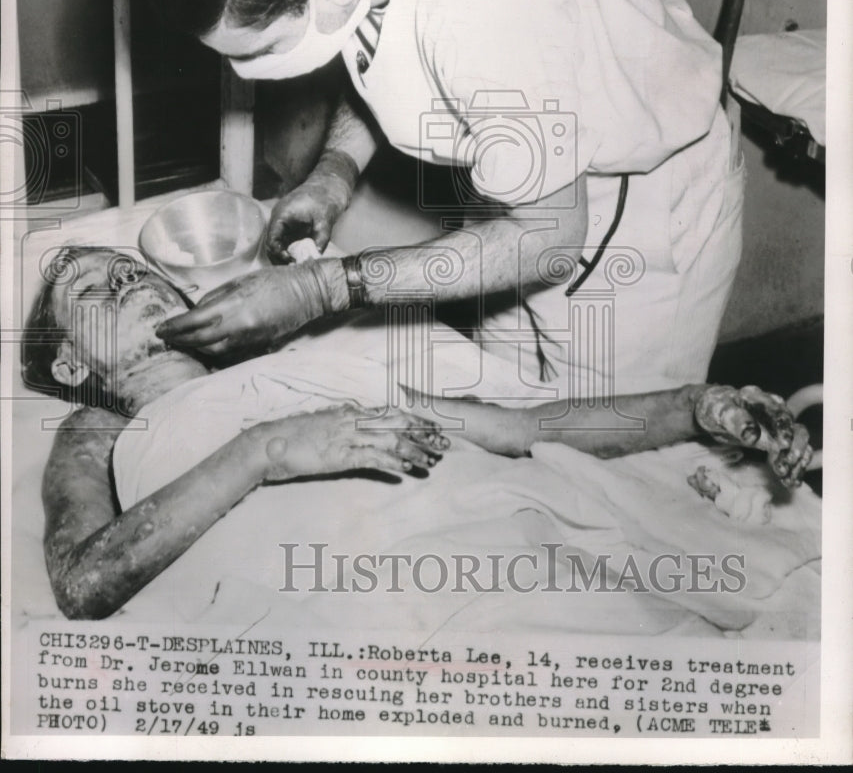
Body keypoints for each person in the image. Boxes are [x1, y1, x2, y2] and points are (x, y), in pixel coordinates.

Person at [136, 0, 744, 402]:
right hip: (518, 178)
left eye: (261, 50)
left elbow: (551, 237)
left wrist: (319, 288)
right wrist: (335, 172)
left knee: (605, 459)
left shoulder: (483, 22)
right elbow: (374, 48)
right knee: (501, 410)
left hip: (628, 196)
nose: (246, 75)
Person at [22, 248, 811, 619]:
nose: (128, 280)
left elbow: (522, 428)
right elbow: (85, 582)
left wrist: (693, 405)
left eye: (135, 270)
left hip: (498, 534)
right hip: (364, 603)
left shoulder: (304, 366)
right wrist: (266, 450)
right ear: (67, 366)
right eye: (98, 287)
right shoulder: (98, 428)